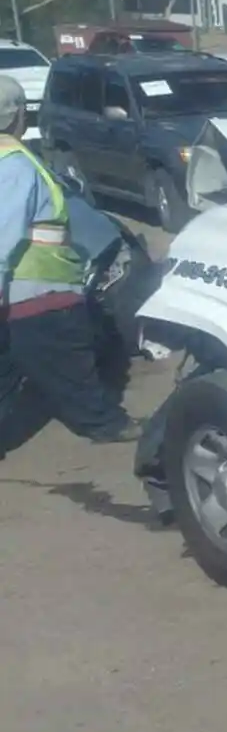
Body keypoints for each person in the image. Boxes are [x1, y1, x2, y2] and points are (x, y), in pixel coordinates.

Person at [0, 74, 140, 453]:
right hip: (40, 290)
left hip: (21, 294)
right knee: (69, 364)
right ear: (17, 118)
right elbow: (5, 235)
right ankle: (106, 424)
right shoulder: (15, 164)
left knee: (10, 370)